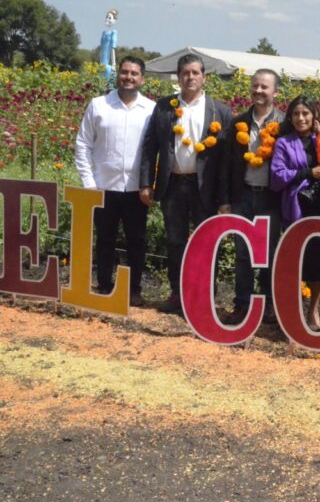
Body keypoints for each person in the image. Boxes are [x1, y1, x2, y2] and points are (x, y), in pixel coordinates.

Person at [139, 53, 232, 314]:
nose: (190, 77)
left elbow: (225, 160)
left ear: (204, 77)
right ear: (178, 77)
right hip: (173, 186)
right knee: (176, 241)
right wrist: (146, 183)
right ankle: (177, 293)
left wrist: (224, 198)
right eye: (185, 73)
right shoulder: (164, 107)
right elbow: (150, 147)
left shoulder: (220, 111)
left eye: (195, 73)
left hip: (205, 189)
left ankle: (206, 296)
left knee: (207, 242)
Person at [73, 56, 155, 307]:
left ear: (142, 78)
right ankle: (104, 285)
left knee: (137, 240)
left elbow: (156, 151)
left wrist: (149, 184)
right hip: (103, 187)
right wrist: (88, 183)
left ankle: (134, 290)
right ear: (118, 74)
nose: (129, 77)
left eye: (134, 73)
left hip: (136, 189)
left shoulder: (151, 110)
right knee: (105, 238)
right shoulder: (99, 105)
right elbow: (83, 144)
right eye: (125, 72)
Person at [221, 69, 286, 325]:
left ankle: (268, 304)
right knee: (242, 253)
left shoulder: (284, 123)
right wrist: (225, 200)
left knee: (270, 253)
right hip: (243, 196)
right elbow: (227, 166)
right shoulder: (239, 122)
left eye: (265, 87)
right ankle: (243, 304)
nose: (259, 91)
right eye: (255, 86)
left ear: (276, 92)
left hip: (271, 198)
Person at [270, 96, 320, 328]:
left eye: (306, 113)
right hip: (296, 208)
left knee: (319, 261)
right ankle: (293, 311)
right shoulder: (284, 143)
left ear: (314, 116)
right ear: (290, 117)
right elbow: (277, 176)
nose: (301, 118)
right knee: (295, 260)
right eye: (296, 114)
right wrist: (309, 173)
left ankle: (313, 312)